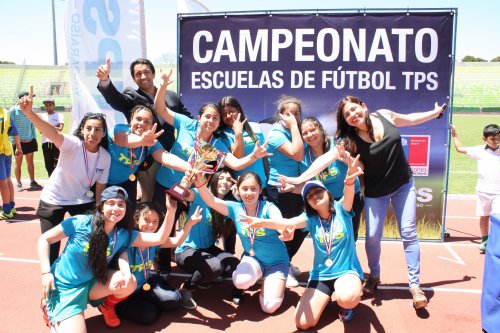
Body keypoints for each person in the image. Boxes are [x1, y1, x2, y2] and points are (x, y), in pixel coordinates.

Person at [282, 95, 447, 309]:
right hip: (376, 192)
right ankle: (374, 276)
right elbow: (325, 159)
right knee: (371, 238)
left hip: (403, 186)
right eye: (347, 114)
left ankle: (415, 286)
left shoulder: (385, 115)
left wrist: (433, 114)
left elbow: (410, 119)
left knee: (408, 232)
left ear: (364, 106)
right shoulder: (349, 141)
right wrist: (299, 179)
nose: (352, 115)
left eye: (354, 109)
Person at [153, 70, 269, 276]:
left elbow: (236, 162)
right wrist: (162, 86)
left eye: (215, 118)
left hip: (190, 192)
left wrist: (255, 156)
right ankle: (162, 270)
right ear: (200, 117)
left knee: (193, 226)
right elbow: (160, 109)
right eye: (207, 116)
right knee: (165, 225)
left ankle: (191, 260)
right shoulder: (187, 124)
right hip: (167, 184)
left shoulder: (217, 143)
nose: (211, 120)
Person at [240, 152, 364, 329]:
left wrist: (349, 181)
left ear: (328, 194)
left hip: (346, 272)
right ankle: (324, 295)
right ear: (308, 202)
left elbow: (349, 192)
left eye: (318, 191)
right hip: (321, 275)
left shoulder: (342, 208)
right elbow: (286, 222)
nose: (314, 195)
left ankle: (345, 304)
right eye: (310, 195)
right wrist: (260, 222)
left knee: (347, 298)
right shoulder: (310, 219)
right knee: (302, 323)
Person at [37, 186, 183, 331]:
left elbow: (160, 238)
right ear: (101, 207)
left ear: (126, 210)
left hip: (92, 284)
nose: (116, 208)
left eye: (121, 204)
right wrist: (45, 273)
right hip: (65, 288)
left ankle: (106, 305)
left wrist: (171, 210)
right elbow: (44, 239)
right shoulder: (81, 222)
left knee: (128, 282)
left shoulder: (122, 234)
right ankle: (49, 308)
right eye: (110, 203)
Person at [18, 86, 111, 265]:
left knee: (90, 240)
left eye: (98, 129)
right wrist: (29, 114)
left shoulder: (105, 157)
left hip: (82, 201)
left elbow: (100, 187)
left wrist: (99, 211)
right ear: (82, 130)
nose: (93, 133)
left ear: (104, 133)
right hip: (53, 200)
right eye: (89, 128)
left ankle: (85, 278)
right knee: (51, 246)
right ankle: (49, 284)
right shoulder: (72, 144)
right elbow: (52, 132)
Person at [96, 57, 192, 202]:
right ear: (134, 79)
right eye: (138, 74)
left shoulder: (170, 95)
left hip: (169, 154)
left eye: (146, 72)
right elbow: (116, 100)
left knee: (173, 194)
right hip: (144, 158)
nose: (143, 77)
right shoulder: (132, 95)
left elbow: (187, 120)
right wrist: (105, 80)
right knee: (149, 198)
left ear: (153, 74)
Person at [193, 170, 290, 314]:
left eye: (253, 189)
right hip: (253, 258)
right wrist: (199, 182)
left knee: (269, 307)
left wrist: (282, 231)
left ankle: (273, 280)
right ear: (238, 190)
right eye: (244, 189)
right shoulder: (235, 208)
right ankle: (260, 276)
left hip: (277, 263)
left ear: (260, 190)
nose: (249, 193)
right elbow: (211, 200)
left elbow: (280, 223)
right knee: (240, 281)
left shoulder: (269, 208)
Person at [115, 200, 203, 325]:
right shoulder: (130, 237)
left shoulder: (154, 240)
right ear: (136, 220)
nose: (151, 225)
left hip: (146, 284)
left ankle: (169, 295)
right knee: (148, 316)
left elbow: (176, 241)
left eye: (155, 221)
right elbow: (122, 257)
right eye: (146, 220)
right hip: (127, 292)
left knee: (174, 301)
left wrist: (189, 223)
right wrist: (126, 273)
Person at [286, 117, 364, 241]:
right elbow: (307, 185)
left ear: (321, 129)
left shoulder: (338, 144)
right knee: (329, 239)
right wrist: (292, 188)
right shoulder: (303, 156)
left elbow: (360, 168)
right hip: (325, 203)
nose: (310, 135)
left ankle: (348, 260)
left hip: (350, 199)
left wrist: (347, 160)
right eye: (305, 133)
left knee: (349, 238)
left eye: (312, 130)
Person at [173, 168, 240, 309]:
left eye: (229, 180)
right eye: (221, 178)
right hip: (187, 249)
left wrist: (239, 196)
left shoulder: (227, 205)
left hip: (207, 249)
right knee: (215, 267)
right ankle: (186, 287)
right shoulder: (200, 195)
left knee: (235, 265)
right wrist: (185, 183)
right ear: (214, 179)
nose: (225, 182)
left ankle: (206, 277)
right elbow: (177, 193)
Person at [107, 104, 190, 208]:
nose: (141, 123)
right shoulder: (119, 129)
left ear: (152, 125)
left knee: (127, 219)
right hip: (102, 183)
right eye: (138, 119)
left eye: (147, 121)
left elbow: (165, 157)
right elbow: (123, 139)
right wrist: (141, 141)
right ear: (131, 121)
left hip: (127, 183)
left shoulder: (151, 143)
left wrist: (189, 167)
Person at [265, 95, 305, 288]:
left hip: (299, 188)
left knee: (302, 228)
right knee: (285, 229)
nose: (294, 117)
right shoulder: (275, 133)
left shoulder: (301, 129)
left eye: (297, 114)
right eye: (289, 113)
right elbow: (296, 154)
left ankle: (285, 261)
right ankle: (282, 267)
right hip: (280, 189)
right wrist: (295, 126)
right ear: (281, 115)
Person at [450, 124, 500, 253]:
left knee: (496, 217)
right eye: (492, 139)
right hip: (483, 191)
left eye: (498, 138)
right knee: (484, 216)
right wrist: (454, 134)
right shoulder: (479, 150)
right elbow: (459, 148)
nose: (495, 141)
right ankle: (485, 240)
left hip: (498, 193)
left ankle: (495, 241)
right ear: (484, 139)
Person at [217, 96, 269, 190]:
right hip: (240, 187)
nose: (228, 116)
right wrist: (238, 133)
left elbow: (263, 154)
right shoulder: (223, 135)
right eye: (224, 114)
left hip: (261, 185)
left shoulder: (255, 127)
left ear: (238, 110)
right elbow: (238, 158)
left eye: (231, 111)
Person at [8, 91, 43, 191]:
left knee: (30, 162)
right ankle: (18, 183)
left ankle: (32, 182)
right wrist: (14, 143)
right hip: (18, 143)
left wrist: (34, 138)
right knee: (18, 163)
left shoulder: (30, 111)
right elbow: (9, 128)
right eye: (29, 98)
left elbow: (32, 126)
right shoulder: (13, 111)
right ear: (22, 99)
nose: (30, 100)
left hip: (30, 141)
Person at [0, 106, 22, 220]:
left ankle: (7, 210)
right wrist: (18, 147)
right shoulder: (5, 112)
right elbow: (15, 132)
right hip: (7, 150)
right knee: (7, 179)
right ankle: (11, 206)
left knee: (2, 181)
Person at [40, 98, 64, 177]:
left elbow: (60, 128)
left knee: (58, 163)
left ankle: (58, 181)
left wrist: (47, 127)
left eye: (50, 105)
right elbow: (41, 131)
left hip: (56, 143)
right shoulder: (42, 116)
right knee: (48, 164)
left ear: (54, 106)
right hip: (46, 143)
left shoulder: (59, 115)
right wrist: (54, 127)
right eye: (46, 105)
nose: (48, 107)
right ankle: (51, 180)